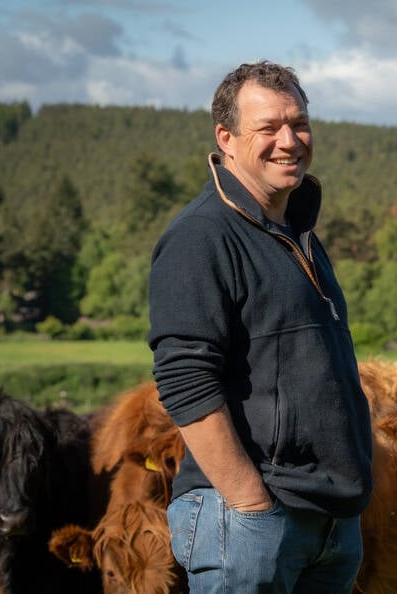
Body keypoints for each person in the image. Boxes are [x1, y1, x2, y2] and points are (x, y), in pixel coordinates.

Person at [148, 60, 373, 593]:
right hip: (252, 517)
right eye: (268, 128)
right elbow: (184, 379)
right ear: (225, 138)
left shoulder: (298, 234)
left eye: (299, 123)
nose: (289, 141)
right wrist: (250, 502)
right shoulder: (202, 236)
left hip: (328, 519)